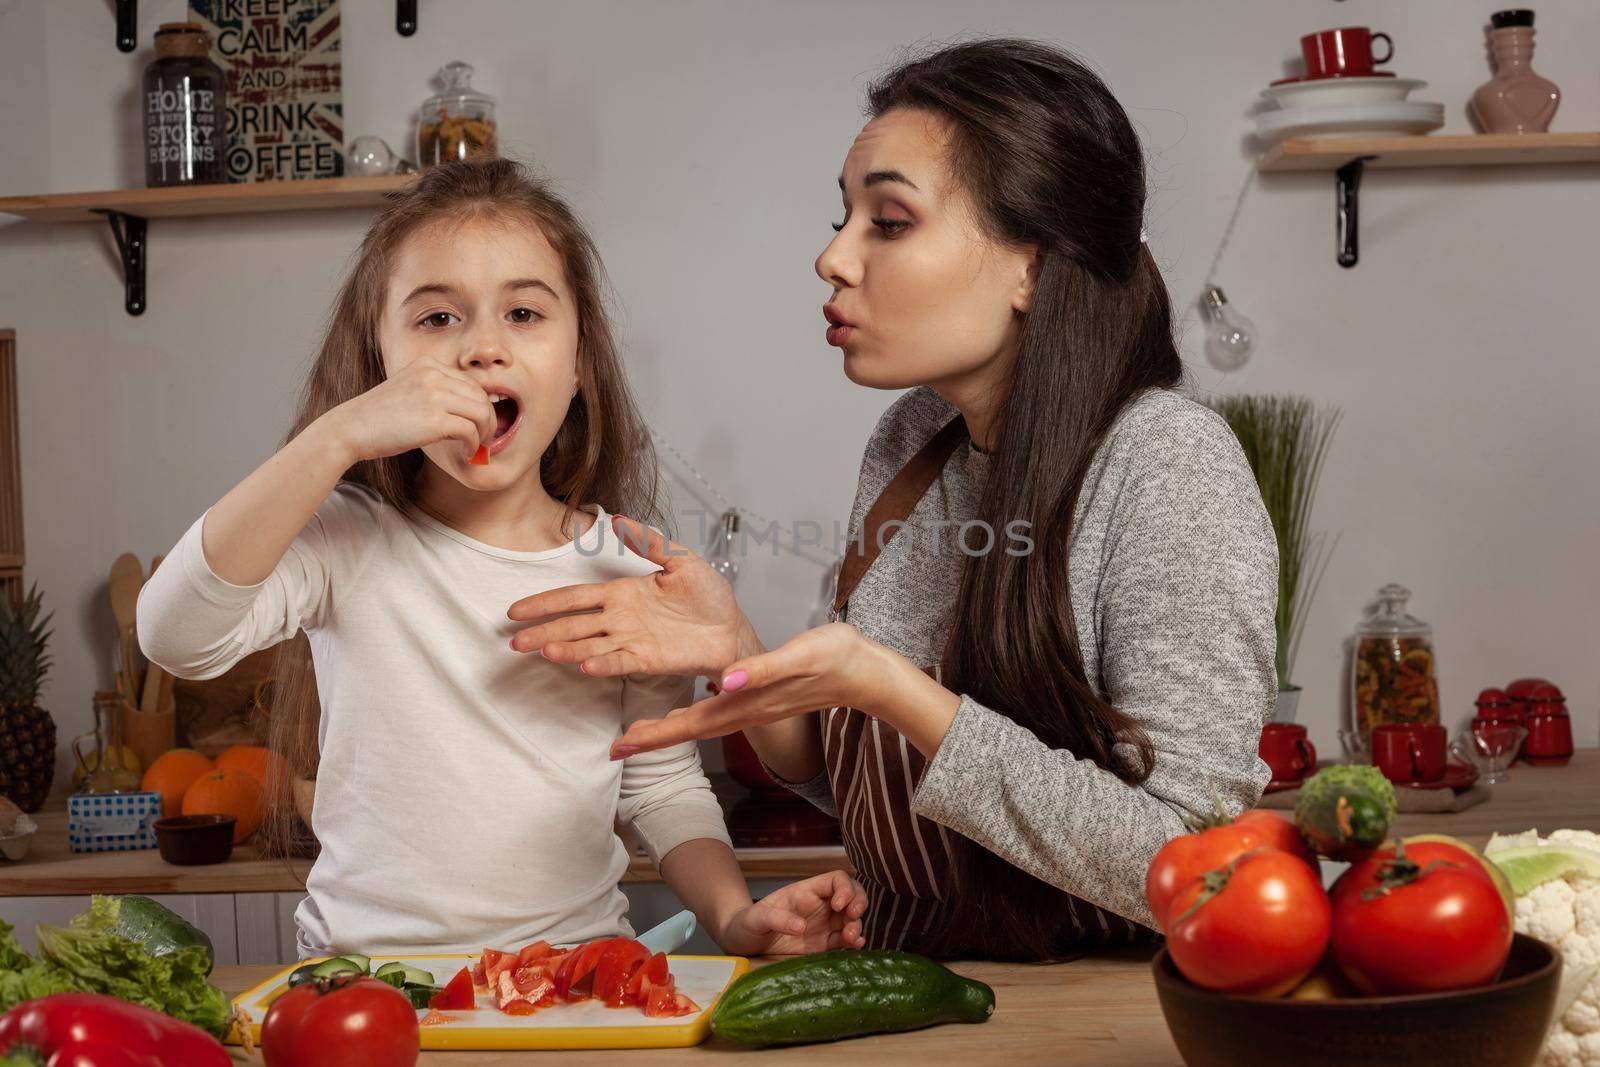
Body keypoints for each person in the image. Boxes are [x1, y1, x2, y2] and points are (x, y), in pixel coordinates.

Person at [506, 39, 1278, 960]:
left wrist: (891, 686)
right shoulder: (914, 442)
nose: (832, 259)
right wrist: (737, 647)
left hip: (1106, 1015)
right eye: (845, 217)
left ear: (1033, 261)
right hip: (916, 993)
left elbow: (1196, 868)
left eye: (890, 221)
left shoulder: (1168, 465)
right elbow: (861, 780)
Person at [138, 158, 867, 959]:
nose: (483, 348)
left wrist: (733, 917)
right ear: (380, 362)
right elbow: (173, 635)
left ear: (580, 361)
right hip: (369, 991)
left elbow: (661, 785)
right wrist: (336, 434)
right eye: (436, 319)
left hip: (573, 988)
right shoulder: (343, 538)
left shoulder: (627, 572)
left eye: (523, 312)